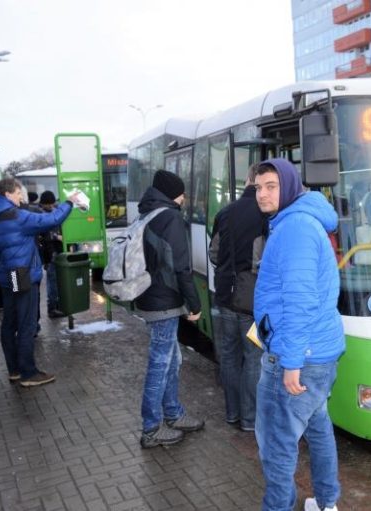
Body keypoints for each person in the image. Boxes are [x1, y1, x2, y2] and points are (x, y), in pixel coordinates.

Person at [252, 158, 345, 511]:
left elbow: (300, 300)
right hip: (317, 353)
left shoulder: (295, 229)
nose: (262, 194)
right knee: (318, 429)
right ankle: (326, 502)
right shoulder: (301, 221)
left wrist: (290, 362)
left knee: (277, 444)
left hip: (298, 359)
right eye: (258, 187)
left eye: (271, 186)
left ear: (288, 187)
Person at [0, 177, 81, 387]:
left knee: (10, 321)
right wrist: (69, 202)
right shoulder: (17, 216)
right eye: (19, 193)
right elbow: (52, 220)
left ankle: (15, 370)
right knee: (26, 322)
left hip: (6, 276)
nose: (21, 197)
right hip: (22, 275)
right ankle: (28, 373)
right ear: (8, 193)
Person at [134, 170, 204, 448]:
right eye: (182, 193)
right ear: (174, 193)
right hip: (164, 301)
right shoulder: (171, 217)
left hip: (151, 297)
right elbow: (181, 268)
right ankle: (151, 428)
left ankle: (173, 413)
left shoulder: (147, 213)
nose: (185, 198)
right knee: (160, 364)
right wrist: (194, 305)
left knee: (171, 360)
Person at [208, 163, 268, 432]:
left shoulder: (225, 212)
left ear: (246, 180)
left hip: (223, 296)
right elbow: (264, 262)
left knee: (229, 357)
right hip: (251, 301)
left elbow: (213, 253)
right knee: (253, 359)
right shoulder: (265, 214)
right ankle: (250, 419)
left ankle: (232, 413)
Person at [38, 191, 64, 318]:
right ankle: (52, 308)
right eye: (49, 204)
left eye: (52, 203)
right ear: (43, 204)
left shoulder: (54, 211)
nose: (51, 206)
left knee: (57, 280)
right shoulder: (39, 215)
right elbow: (43, 234)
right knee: (52, 281)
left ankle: (57, 305)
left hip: (56, 251)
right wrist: (56, 236)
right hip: (49, 253)